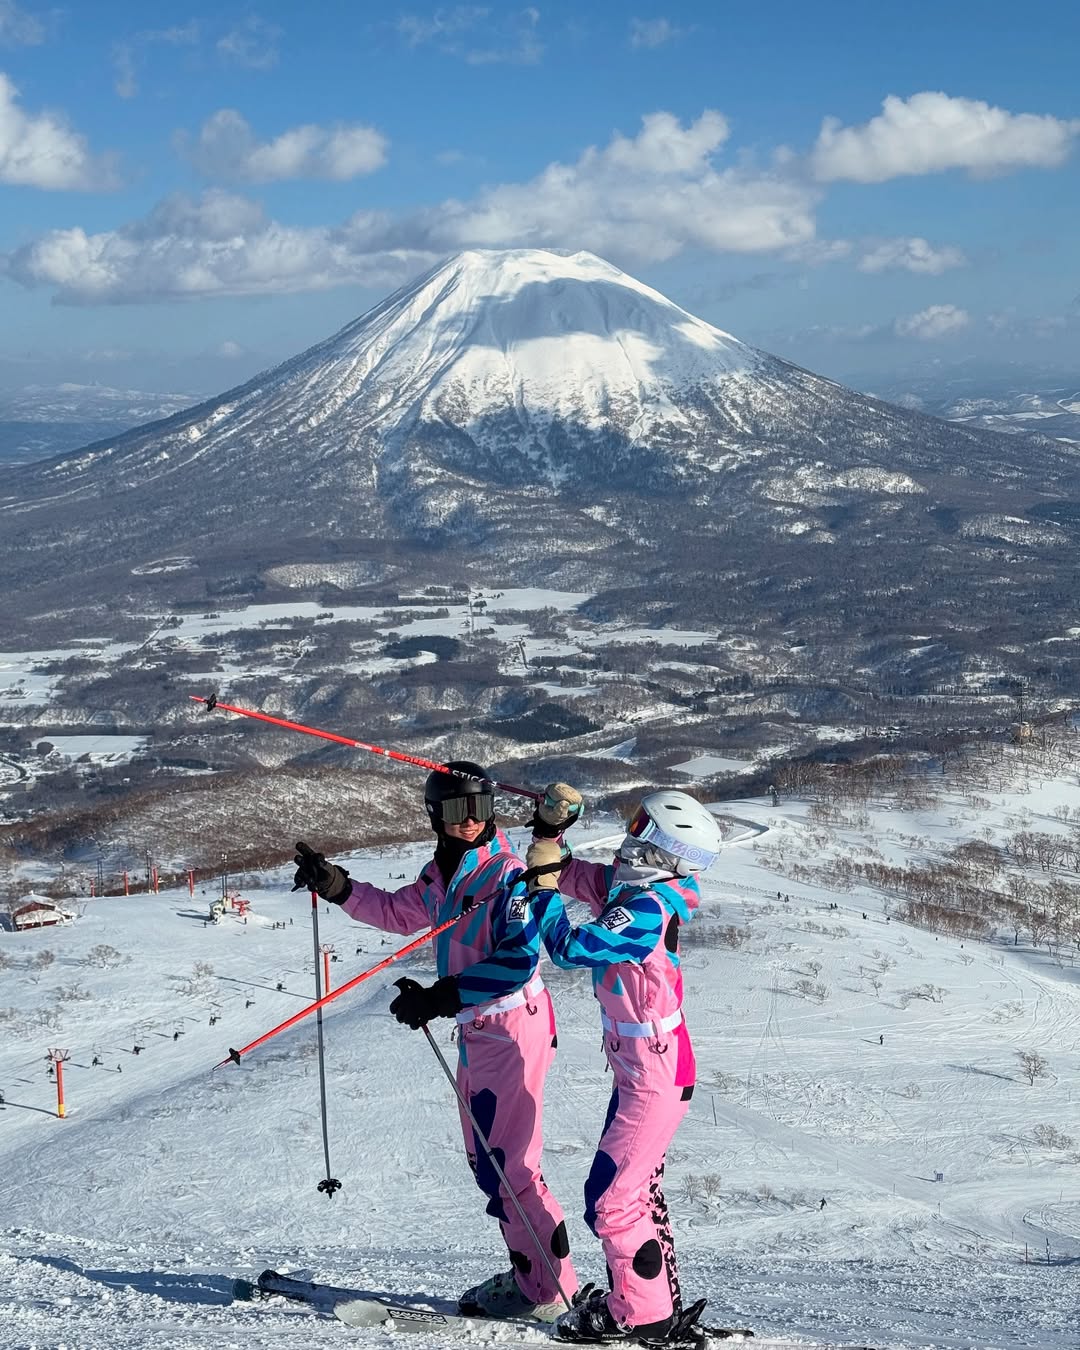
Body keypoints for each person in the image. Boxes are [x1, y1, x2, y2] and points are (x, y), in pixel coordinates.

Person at [291, 763, 580, 1322]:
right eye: (455, 811)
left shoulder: (507, 875)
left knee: (513, 1168)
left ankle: (547, 1288)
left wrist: (440, 996)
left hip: (510, 1028)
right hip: (477, 1029)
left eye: (478, 808)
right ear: (434, 816)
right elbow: (401, 912)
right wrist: (339, 887)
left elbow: (520, 961)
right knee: (488, 1164)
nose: (469, 821)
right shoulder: (443, 875)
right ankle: (532, 1273)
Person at [523, 789, 723, 1344]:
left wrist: (540, 890)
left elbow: (568, 947)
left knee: (612, 1201)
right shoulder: (636, 889)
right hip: (643, 1069)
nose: (630, 838)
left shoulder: (643, 912)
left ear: (665, 851)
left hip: (654, 1078)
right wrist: (549, 832)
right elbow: (570, 874)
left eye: (642, 829)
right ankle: (647, 1299)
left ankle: (643, 1313)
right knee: (632, 1193)